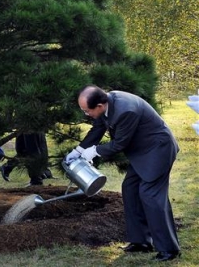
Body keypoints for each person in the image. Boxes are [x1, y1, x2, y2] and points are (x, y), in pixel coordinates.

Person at [65, 85, 180, 262]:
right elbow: (97, 128)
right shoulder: (107, 103)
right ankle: (140, 242)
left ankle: (169, 249)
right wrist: (79, 150)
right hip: (142, 152)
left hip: (158, 149)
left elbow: (120, 144)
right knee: (130, 189)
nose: (86, 114)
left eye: (87, 111)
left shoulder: (126, 111)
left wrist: (94, 151)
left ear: (100, 106)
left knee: (150, 195)